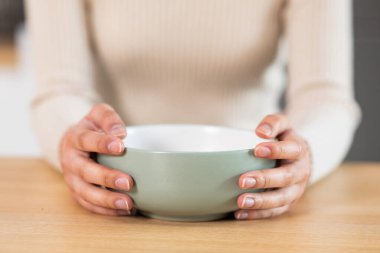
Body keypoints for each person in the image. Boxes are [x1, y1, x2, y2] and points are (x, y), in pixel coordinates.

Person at [26, 0, 361, 220]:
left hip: (252, 189)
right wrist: (73, 144)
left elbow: (325, 94)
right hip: (116, 195)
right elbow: (60, 89)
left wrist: (302, 156)